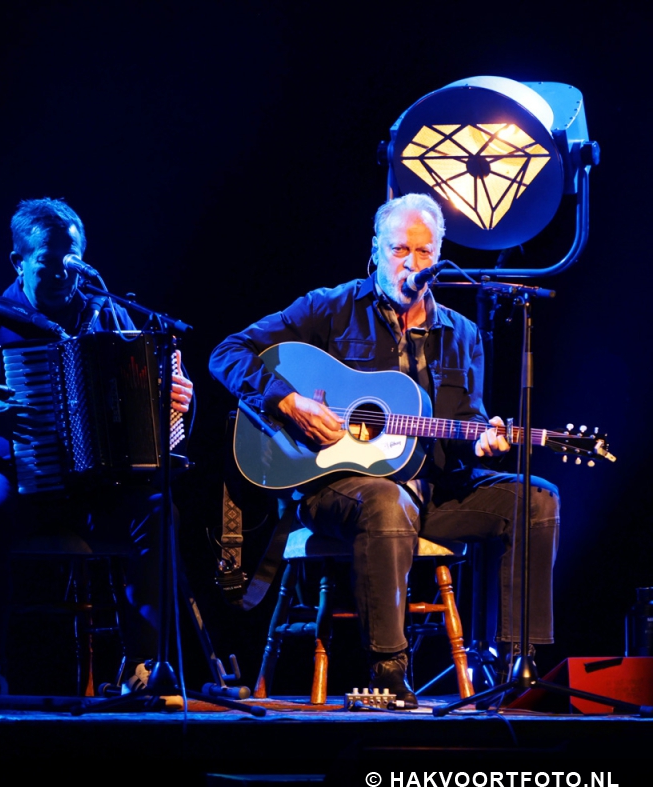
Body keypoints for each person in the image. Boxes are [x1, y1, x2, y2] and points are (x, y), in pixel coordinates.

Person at [209, 193, 559, 707]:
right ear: (375, 249)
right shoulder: (330, 308)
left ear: (438, 257)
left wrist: (485, 439)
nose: (411, 264)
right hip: (336, 490)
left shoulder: (462, 334)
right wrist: (287, 400)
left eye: (423, 252)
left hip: (432, 489)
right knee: (385, 500)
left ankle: (517, 667)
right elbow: (228, 352)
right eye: (399, 250)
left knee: (536, 499)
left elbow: (466, 422)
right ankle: (390, 673)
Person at [0, 198, 193, 699]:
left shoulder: (110, 314)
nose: (64, 274)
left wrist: (174, 400)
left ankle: (141, 663)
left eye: (73, 261)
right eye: (49, 262)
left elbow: (157, 408)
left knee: (158, 508)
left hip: (102, 488)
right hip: (20, 485)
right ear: (18, 261)